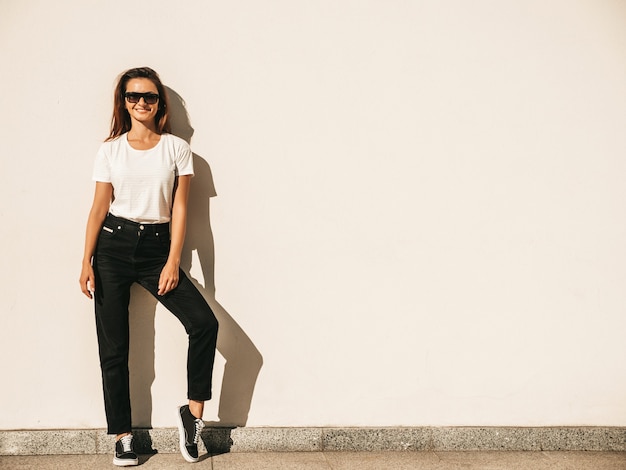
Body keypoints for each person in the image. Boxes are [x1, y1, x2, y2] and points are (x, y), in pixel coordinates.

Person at [79, 67, 219, 466]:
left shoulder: (176, 148)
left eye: (149, 96)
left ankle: (192, 417)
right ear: (123, 102)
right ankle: (123, 435)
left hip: (159, 249)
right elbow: (98, 208)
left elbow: (181, 209)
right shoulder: (110, 150)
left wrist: (174, 260)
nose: (141, 102)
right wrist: (86, 260)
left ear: (160, 103)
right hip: (113, 247)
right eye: (132, 96)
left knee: (204, 324)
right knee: (114, 347)